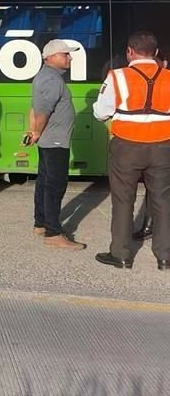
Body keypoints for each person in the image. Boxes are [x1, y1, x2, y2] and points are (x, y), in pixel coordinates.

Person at [92, 31, 170, 271]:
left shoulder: (117, 76)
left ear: (129, 51)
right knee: (163, 200)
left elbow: (100, 112)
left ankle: (122, 255)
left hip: (126, 146)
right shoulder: (168, 77)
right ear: (156, 53)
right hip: (163, 146)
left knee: (123, 199)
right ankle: (164, 257)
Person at [23, 40, 86, 250]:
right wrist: (37, 131)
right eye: (65, 54)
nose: (69, 57)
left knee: (44, 181)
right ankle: (53, 232)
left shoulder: (44, 76)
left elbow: (35, 107)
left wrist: (34, 132)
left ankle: (40, 223)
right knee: (55, 185)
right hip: (55, 141)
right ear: (50, 57)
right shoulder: (52, 80)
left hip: (49, 140)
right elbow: (43, 111)